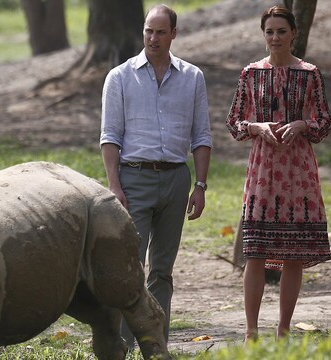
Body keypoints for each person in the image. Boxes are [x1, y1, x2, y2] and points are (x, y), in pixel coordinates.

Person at [100, 4, 212, 346]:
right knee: (131, 267)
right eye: (149, 30)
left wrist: (200, 185)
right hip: (134, 179)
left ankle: (155, 345)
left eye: (161, 32)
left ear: (174, 34)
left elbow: (202, 136)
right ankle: (122, 345)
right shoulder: (120, 77)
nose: (153, 37)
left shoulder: (192, 77)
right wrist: (115, 185)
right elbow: (110, 136)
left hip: (176, 180)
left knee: (162, 270)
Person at [225, 6, 331, 342]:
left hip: (298, 170)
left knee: (293, 253)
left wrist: (303, 124)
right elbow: (233, 123)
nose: (275, 38)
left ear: (294, 34)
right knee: (255, 250)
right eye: (269, 32)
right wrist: (256, 127)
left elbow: (325, 122)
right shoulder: (250, 74)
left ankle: (284, 330)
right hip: (263, 168)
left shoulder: (310, 74)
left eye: (281, 32)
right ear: (264, 34)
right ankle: (251, 331)